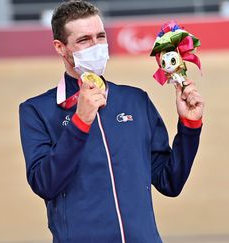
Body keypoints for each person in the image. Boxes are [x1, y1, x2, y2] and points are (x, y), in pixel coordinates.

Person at [19, 1, 204, 242]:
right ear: (60, 47)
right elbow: (45, 184)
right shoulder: (37, 111)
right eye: (84, 40)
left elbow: (170, 182)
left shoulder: (135, 100)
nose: (96, 46)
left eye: (100, 36)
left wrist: (189, 127)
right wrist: (80, 122)